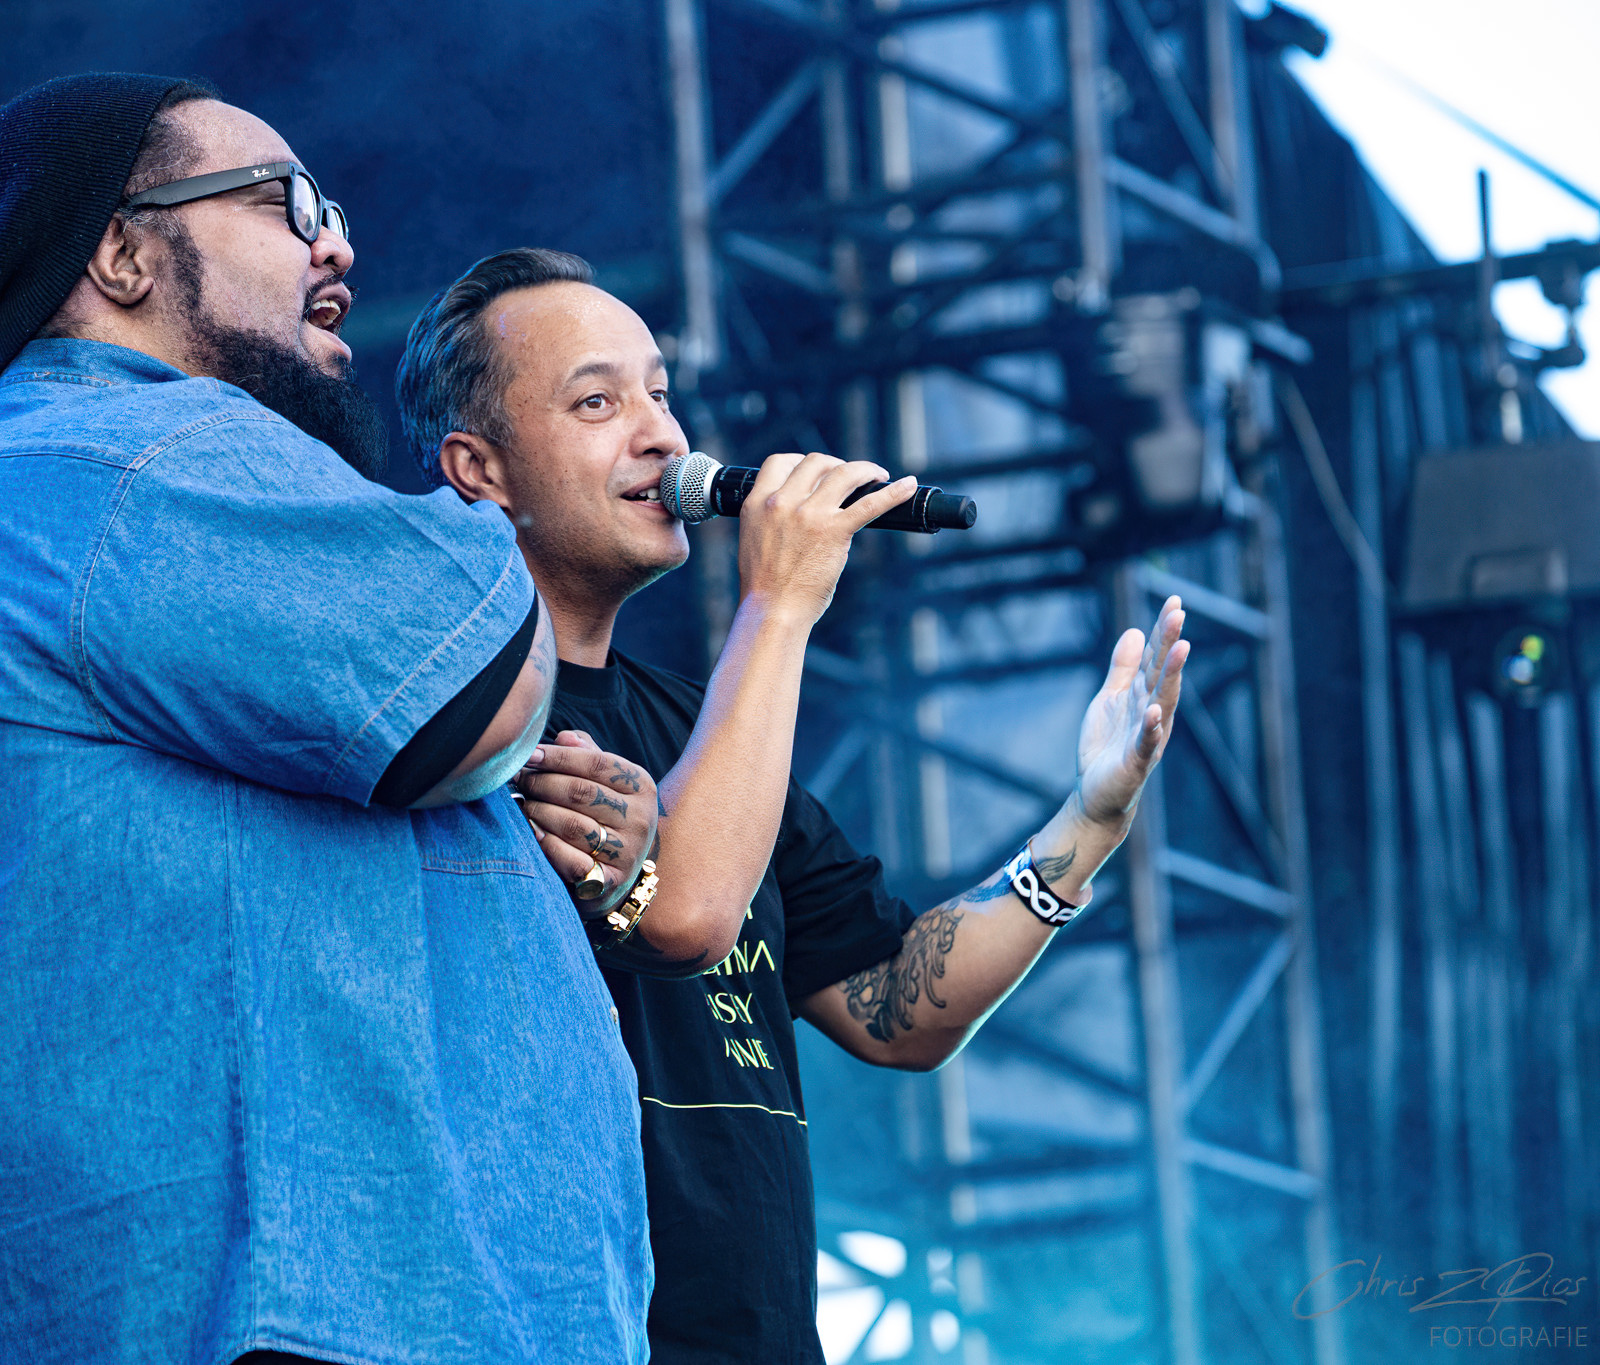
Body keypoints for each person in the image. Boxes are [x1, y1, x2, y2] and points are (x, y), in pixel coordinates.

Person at [0, 81, 662, 1365]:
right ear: (121, 256)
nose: (335, 243)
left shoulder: (117, 493)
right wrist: (507, 511)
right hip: (287, 1322)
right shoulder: (125, 458)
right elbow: (473, 684)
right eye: (287, 202)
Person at [395, 248, 1190, 1363]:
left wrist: (1090, 819)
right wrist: (778, 602)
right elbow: (684, 912)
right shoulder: (445, 711)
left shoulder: (702, 724)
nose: (662, 436)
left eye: (660, 393)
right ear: (479, 468)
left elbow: (896, 1007)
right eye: (597, 402)